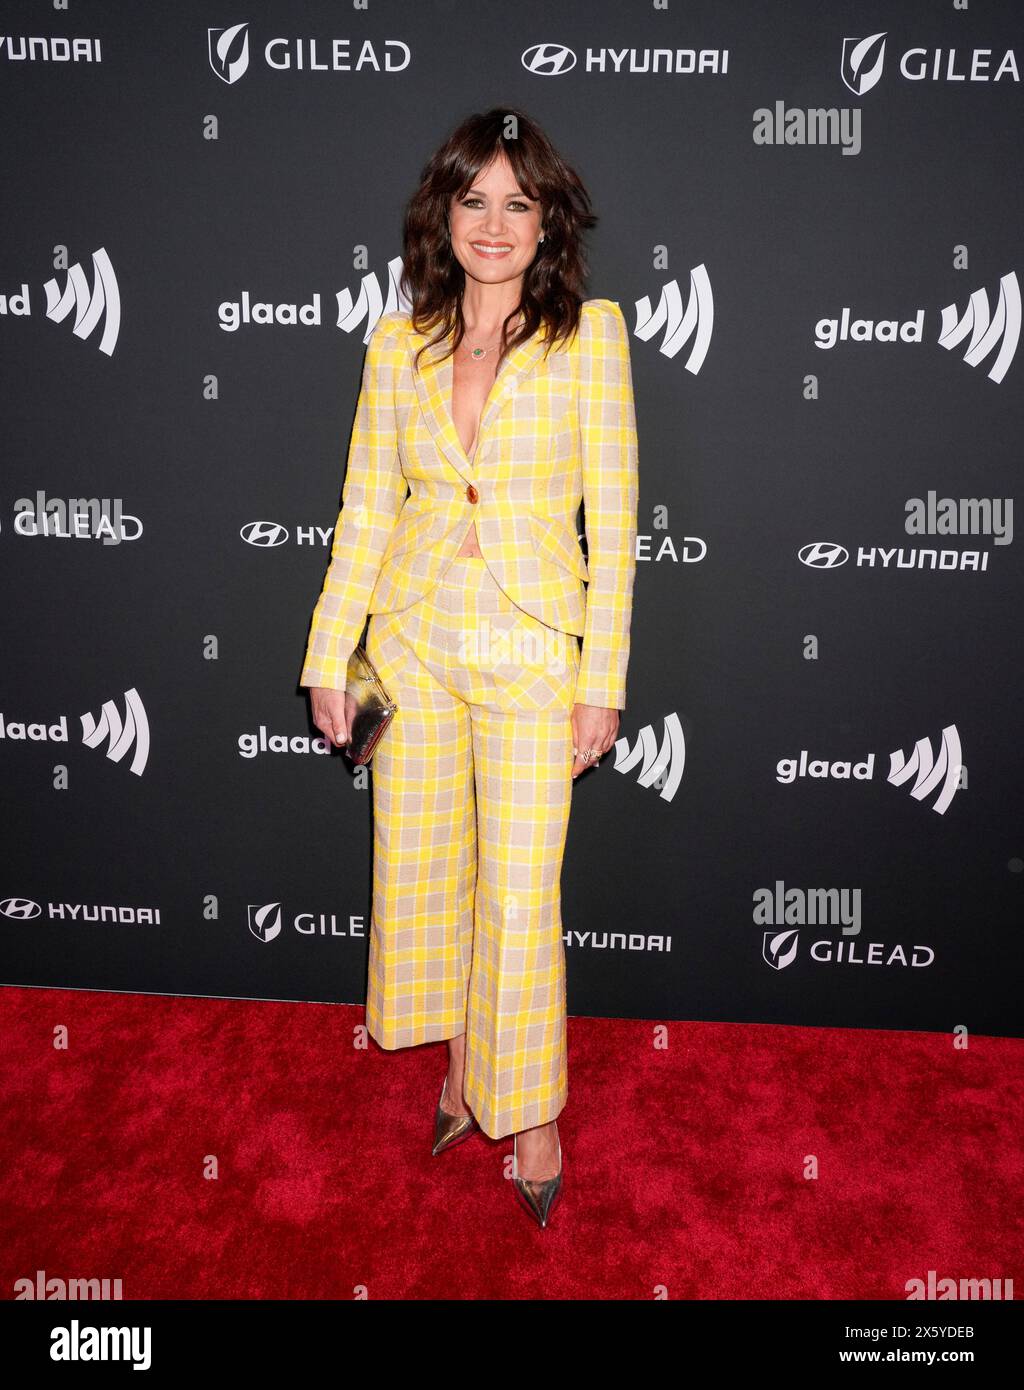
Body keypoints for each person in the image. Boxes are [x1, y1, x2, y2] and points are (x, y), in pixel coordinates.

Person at [299, 107, 638, 1228]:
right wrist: (327, 654)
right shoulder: (398, 345)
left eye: (517, 201)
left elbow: (618, 525)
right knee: (425, 873)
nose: (494, 224)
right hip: (414, 642)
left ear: (547, 221)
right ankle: (460, 1073)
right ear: (443, 214)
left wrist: (604, 679)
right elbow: (362, 509)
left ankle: (528, 1106)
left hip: (536, 649)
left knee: (520, 890)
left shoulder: (592, 336)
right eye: (473, 199)